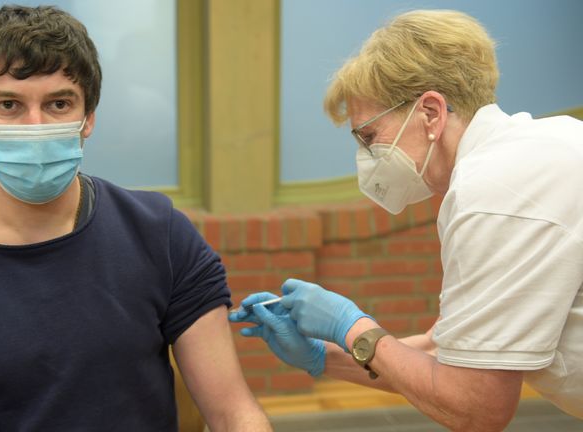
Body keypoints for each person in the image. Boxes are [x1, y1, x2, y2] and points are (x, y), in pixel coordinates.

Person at [0, 5, 271, 431]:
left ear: (88, 117)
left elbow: (231, 413)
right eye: (9, 105)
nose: (36, 126)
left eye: (58, 103)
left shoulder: (160, 235)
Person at [231, 9, 583, 431]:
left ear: (431, 112)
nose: (365, 157)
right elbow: (443, 353)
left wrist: (351, 326)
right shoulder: (539, 146)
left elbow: (477, 408)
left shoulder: (494, 190)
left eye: (368, 136)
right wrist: (326, 356)